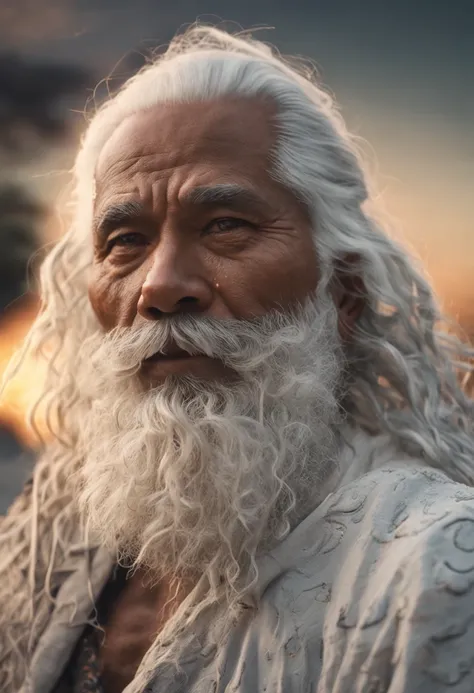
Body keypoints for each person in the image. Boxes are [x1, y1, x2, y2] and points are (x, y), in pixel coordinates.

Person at [1, 25, 473, 693]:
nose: (160, 285)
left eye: (226, 225)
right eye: (125, 240)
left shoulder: (436, 569)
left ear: (343, 293)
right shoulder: (54, 515)